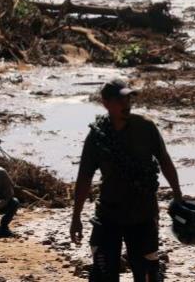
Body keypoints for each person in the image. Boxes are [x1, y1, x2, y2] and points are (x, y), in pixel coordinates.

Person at [70, 78, 184, 282]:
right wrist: (76, 217)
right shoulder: (98, 136)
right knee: (103, 273)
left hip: (143, 214)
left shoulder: (146, 128)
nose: (126, 105)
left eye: (129, 99)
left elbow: (165, 161)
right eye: (120, 100)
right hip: (108, 213)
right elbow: (84, 177)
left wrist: (178, 197)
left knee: (147, 274)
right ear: (106, 103)